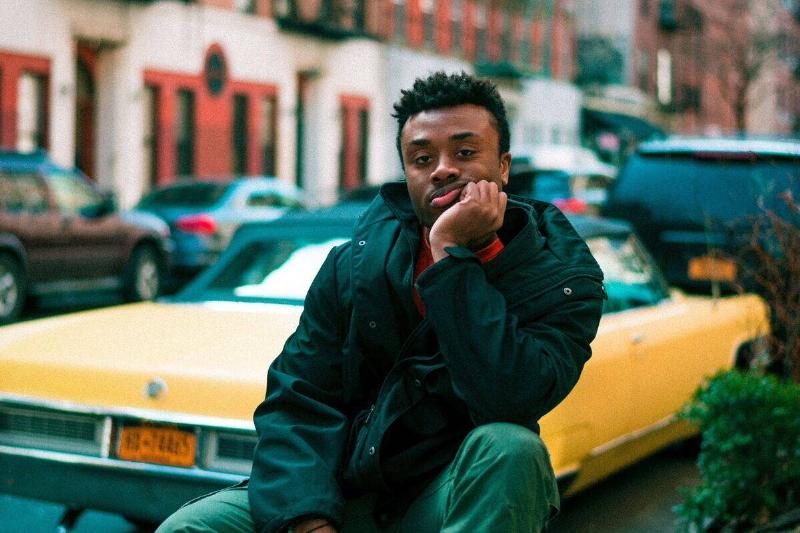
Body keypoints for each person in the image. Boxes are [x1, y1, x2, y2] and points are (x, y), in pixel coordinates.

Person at [158, 71, 605, 533]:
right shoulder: (355, 264)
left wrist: (452, 255)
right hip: (344, 490)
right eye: (421, 158)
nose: (442, 169)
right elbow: (299, 400)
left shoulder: (561, 279)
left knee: (512, 448)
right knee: (188, 528)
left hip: (449, 500)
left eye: (465, 152)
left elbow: (509, 399)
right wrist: (309, 521)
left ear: (504, 167)